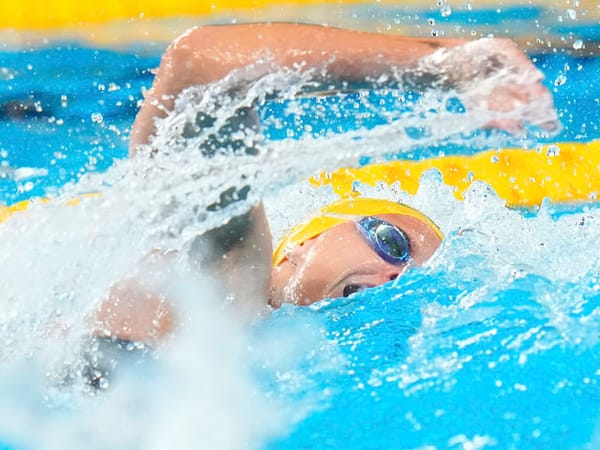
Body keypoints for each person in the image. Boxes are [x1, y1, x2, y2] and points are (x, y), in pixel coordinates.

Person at [90, 23, 555, 341]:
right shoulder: (219, 275)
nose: (396, 277)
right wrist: (441, 67)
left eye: (413, 278)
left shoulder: (261, 355)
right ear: (302, 241)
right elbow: (201, 68)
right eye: (393, 242)